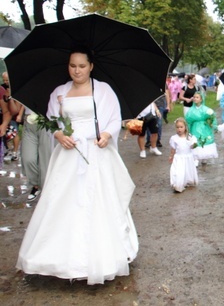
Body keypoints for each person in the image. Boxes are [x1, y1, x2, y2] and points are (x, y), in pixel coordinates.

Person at [16, 45, 138, 285]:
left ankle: (102, 256)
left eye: (82, 66)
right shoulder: (60, 91)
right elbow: (52, 120)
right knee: (63, 200)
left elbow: (114, 118)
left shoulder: (102, 90)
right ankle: (56, 258)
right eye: (73, 66)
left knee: (98, 200)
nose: (77, 70)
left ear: (91, 66)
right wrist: (60, 135)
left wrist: (106, 135)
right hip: (68, 154)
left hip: (95, 151)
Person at [20, 105, 53, 202]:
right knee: (28, 158)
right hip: (29, 122)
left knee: (45, 158)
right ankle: (35, 184)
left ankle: (44, 188)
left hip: (46, 121)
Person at [185, 92, 218, 165]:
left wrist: (213, 124)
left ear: (201, 99)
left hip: (204, 127)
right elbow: (188, 119)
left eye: (197, 97)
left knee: (204, 140)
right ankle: (195, 158)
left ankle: (204, 157)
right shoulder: (191, 110)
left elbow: (212, 117)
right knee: (195, 140)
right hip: (195, 127)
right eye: (194, 97)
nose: (195, 99)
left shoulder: (206, 109)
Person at [168, 117, 198, 193]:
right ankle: (177, 185)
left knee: (187, 170)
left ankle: (187, 181)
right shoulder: (174, 138)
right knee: (178, 172)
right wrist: (171, 156)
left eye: (181, 127)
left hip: (188, 157)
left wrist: (193, 144)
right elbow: (173, 149)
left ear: (185, 127)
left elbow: (192, 146)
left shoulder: (189, 137)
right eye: (177, 127)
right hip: (178, 158)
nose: (179, 129)